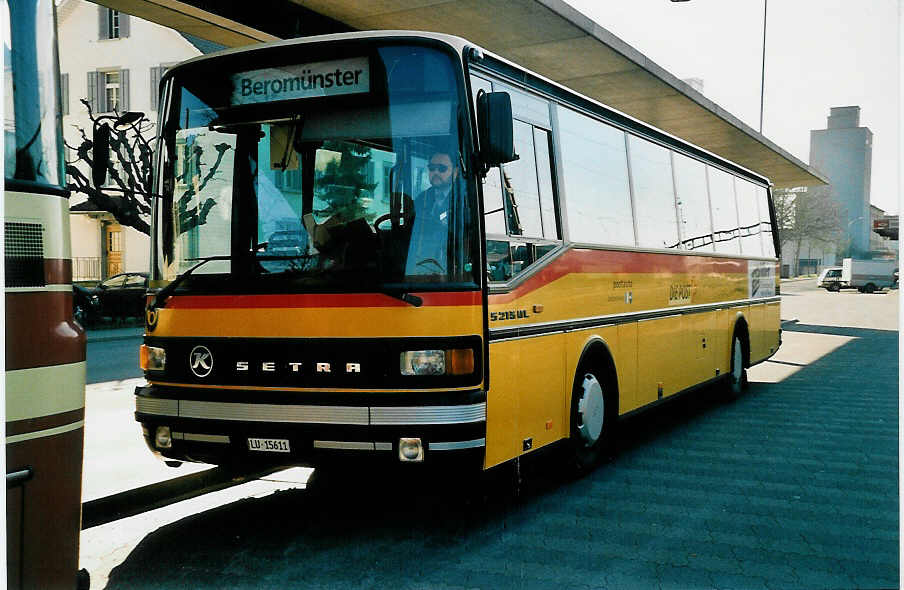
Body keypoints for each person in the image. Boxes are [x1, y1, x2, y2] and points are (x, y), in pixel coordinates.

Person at [405, 150, 459, 276]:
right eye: (432, 168)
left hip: (452, 270)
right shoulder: (421, 199)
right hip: (421, 267)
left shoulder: (464, 200)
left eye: (442, 168)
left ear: (455, 172)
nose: (435, 172)